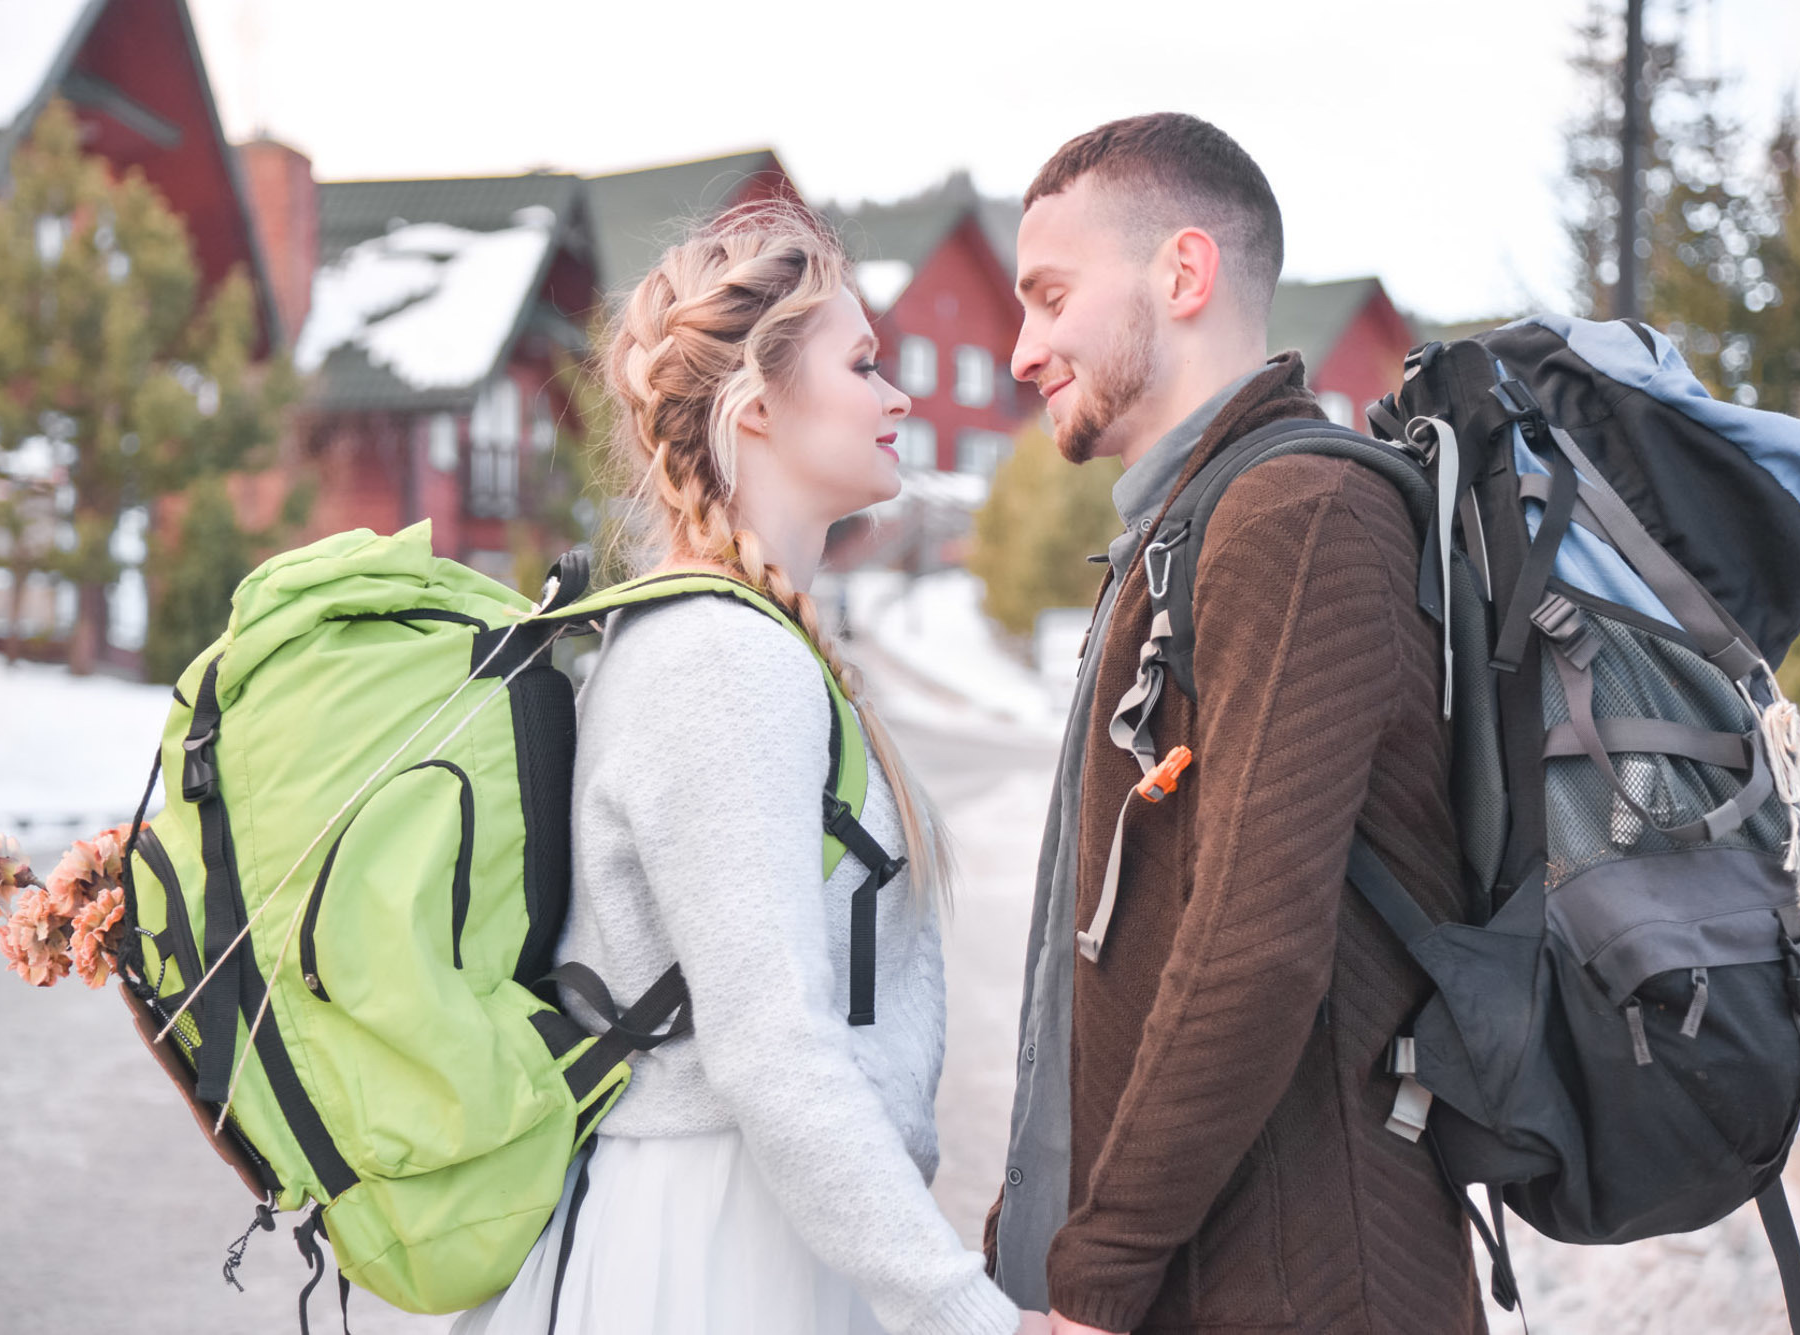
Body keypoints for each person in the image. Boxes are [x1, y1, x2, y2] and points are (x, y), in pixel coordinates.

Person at [455, 204, 1039, 1335]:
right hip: (719, 1250)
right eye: (864, 364)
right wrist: (967, 1316)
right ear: (757, 406)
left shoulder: (734, 640)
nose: (899, 396)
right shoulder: (722, 660)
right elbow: (771, 1047)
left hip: (749, 1229)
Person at [985, 114, 1487, 1334]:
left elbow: (1250, 947)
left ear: (1183, 273)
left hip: (1297, 1280)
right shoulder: (1190, 526)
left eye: (1050, 298)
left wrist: (1097, 1271)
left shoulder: (1297, 514)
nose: (1017, 350)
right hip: (1207, 1274)